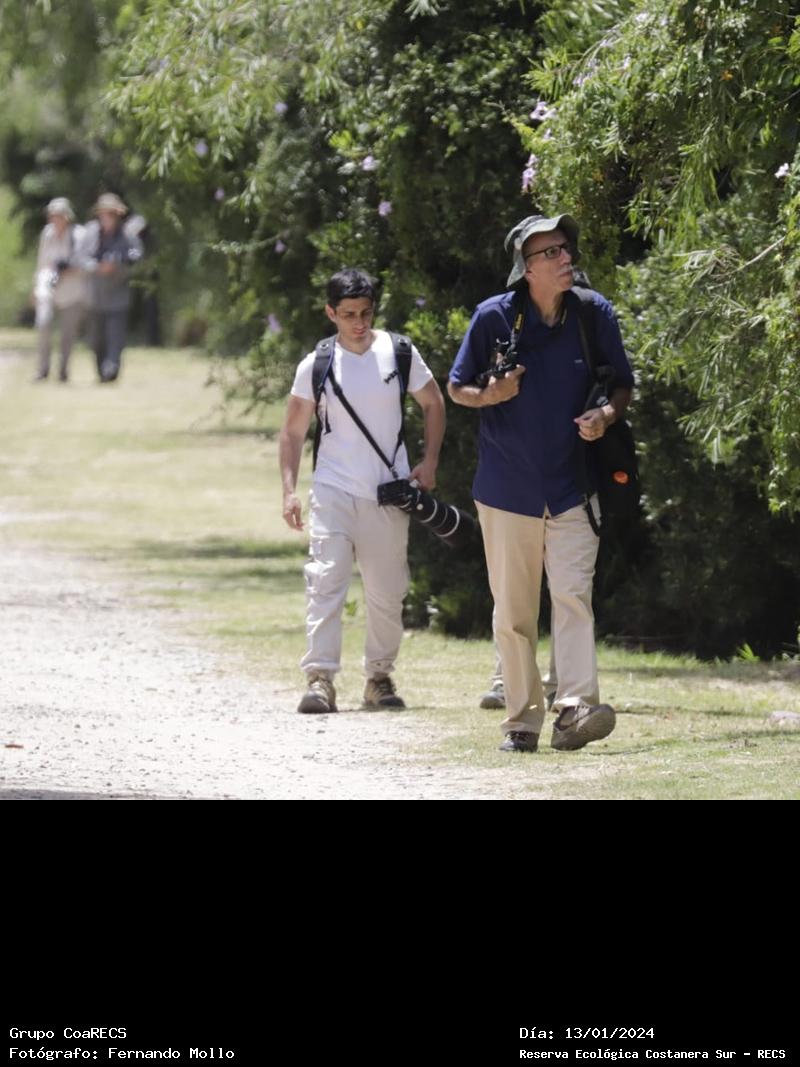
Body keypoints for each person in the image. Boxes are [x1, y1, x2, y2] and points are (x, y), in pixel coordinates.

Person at [448, 214, 634, 753]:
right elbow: (457, 387)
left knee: (574, 596)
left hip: (575, 484)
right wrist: (491, 394)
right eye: (550, 252)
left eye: (565, 248)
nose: (565, 257)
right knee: (514, 611)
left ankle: (574, 710)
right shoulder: (493, 317)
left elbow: (622, 385)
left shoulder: (593, 313)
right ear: (525, 268)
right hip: (507, 490)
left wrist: (606, 415)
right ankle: (522, 723)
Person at [279, 268, 446, 714]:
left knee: (387, 592)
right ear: (331, 312)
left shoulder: (399, 353)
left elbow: (433, 403)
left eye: (366, 313)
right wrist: (289, 491)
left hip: (388, 492)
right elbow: (292, 431)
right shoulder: (317, 364)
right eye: (349, 314)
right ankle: (320, 679)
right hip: (333, 489)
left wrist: (429, 461)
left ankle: (379, 677)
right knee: (326, 581)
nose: (359, 323)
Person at [77, 193, 143, 383]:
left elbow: (137, 256)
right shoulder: (90, 232)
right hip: (95, 295)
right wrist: (97, 267)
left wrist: (118, 264)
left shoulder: (127, 235)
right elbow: (80, 258)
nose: (107, 217)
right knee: (97, 339)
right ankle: (102, 371)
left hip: (118, 295)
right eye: (104, 213)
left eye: (111, 214)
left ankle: (112, 369)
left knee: (116, 337)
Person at [31, 198, 86, 383]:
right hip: (49, 286)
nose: (55, 219)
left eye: (59, 216)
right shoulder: (47, 234)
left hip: (72, 289)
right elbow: (42, 262)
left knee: (67, 333)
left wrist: (65, 269)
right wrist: (36, 287)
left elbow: (84, 264)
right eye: (52, 216)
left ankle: (63, 370)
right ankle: (42, 369)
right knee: (43, 323)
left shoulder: (78, 235)